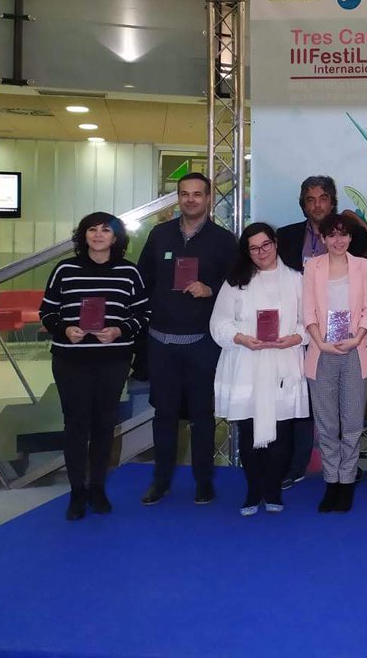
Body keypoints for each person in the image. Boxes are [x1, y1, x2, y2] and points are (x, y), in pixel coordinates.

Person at [40, 212, 149, 520]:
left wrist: (119, 330)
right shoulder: (65, 269)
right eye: (92, 229)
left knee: (104, 425)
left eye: (105, 230)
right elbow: (47, 311)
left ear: (116, 238)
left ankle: (97, 487)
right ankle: (77, 491)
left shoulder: (129, 272)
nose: (98, 235)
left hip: (112, 360)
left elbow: (143, 314)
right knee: (75, 425)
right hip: (70, 360)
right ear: (83, 235)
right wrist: (64, 329)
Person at [136, 173, 236, 506]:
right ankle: (160, 481)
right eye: (184, 194)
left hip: (201, 344)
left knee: (202, 416)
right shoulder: (159, 234)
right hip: (161, 342)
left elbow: (238, 288)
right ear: (178, 198)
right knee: (163, 416)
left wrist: (211, 289)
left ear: (208, 199)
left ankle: (203, 483)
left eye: (197, 194)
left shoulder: (223, 240)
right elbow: (143, 279)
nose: (190, 200)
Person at [277, 175, 367, 491]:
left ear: (332, 202)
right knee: (301, 404)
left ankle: (346, 469)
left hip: (346, 338)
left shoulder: (356, 236)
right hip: (297, 332)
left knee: (348, 409)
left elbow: (366, 285)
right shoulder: (286, 237)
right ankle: (297, 464)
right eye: (310, 199)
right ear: (303, 204)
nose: (317, 205)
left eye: (323, 198)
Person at [210, 223, 309, 515]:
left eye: (265, 245)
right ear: (247, 252)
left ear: (275, 243)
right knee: (248, 430)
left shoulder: (296, 280)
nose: (261, 252)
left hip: (282, 362)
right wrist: (240, 337)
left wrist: (296, 337)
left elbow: (308, 320)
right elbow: (219, 322)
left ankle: (273, 490)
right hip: (246, 363)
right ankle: (253, 491)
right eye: (253, 248)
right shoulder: (236, 281)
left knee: (282, 432)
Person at [302, 214, 367, 513]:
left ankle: (346, 481)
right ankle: (331, 480)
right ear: (323, 238)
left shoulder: (363, 266)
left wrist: (357, 337)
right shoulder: (312, 266)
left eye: (343, 235)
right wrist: (319, 341)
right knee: (326, 423)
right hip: (322, 351)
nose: (338, 240)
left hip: (355, 350)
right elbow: (308, 309)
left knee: (352, 422)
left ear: (350, 238)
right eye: (332, 235)